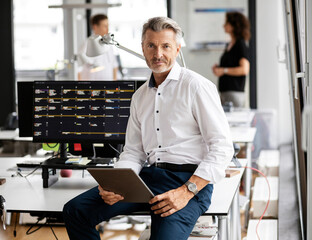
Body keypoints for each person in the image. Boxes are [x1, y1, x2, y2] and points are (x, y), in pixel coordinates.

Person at [63, 17, 234, 240]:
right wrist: (115, 183)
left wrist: (186, 192)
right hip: (148, 178)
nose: (158, 54)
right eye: (151, 46)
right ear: (143, 49)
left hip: (189, 181)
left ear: (177, 49)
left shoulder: (197, 87)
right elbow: (134, 151)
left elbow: (222, 148)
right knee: (75, 211)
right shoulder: (140, 96)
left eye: (165, 46)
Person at [212, 12, 250, 108]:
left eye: (226, 23)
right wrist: (219, 69)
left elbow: (244, 69)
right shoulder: (229, 45)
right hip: (225, 92)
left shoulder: (240, 44)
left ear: (233, 25)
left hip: (234, 94)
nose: (223, 25)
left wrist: (223, 70)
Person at [78, 14, 118, 80]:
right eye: (105, 26)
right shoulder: (87, 45)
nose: (107, 29)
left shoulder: (109, 45)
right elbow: (78, 70)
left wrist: (114, 86)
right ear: (95, 27)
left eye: (108, 26)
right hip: (93, 88)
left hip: (108, 88)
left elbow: (114, 66)